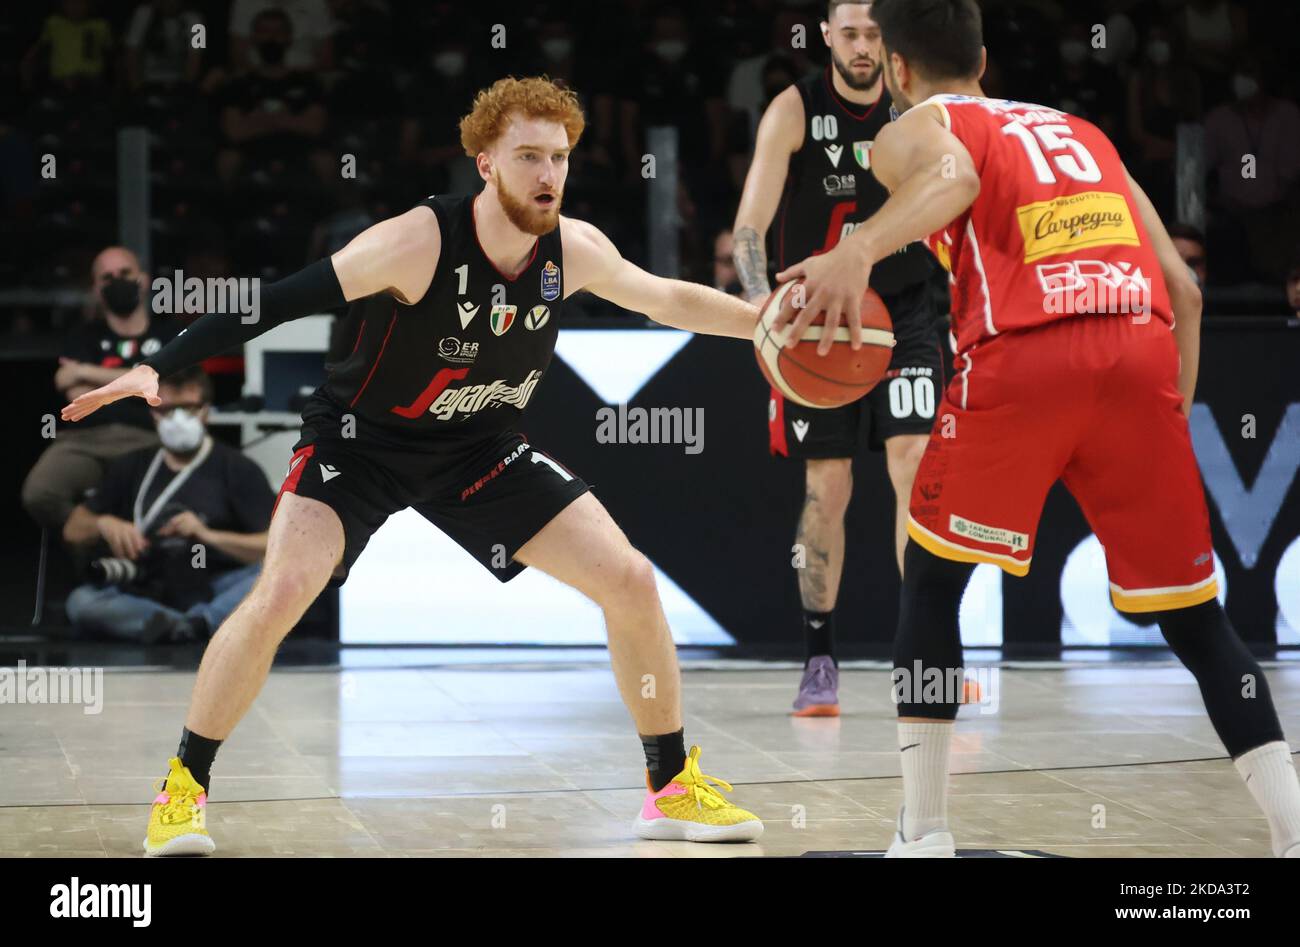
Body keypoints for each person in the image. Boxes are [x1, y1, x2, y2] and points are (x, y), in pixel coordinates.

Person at [64, 76, 764, 856]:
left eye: (559, 157)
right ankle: (182, 791)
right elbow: (281, 300)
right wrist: (159, 364)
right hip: (358, 446)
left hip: (478, 448)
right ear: (485, 161)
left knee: (630, 579)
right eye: (528, 155)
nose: (547, 175)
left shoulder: (574, 248)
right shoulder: (417, 241)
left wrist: (761, 324)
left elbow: (666, 297)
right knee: (284, 589)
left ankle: (669, 790)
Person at [777, 0, 1300, 858]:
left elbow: (953, 181)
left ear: (899, 71)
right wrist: (1160, 416)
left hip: (1023, 355)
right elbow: (1187, 292)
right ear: (983, 56)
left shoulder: (913, 129)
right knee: (1200, 620)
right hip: (1139, 353)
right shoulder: (1084, 130)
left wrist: (857, 247)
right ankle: (1291, 834)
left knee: (935, 583)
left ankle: (926, 831)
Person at [732, 0, 943, 717]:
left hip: (905, 312)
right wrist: (767, 312)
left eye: (874, 35)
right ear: (824, 35)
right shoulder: (792, 110)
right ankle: (820, 658)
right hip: (820, 324)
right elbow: (749, 229)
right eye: (849, 33)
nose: (862, 47)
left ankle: (926, 652)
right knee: (828, 486)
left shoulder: (917, 109)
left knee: (914, 460)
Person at [62, 367, 270, 643]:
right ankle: (187, 624)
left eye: (188, 408)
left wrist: (207, 535)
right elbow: (73, 530)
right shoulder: (132, 464)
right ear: (152, 412)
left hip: (214, 583)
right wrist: (103, 523)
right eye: (166, 409)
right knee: (82, 601)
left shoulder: (237, 468)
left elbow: (271, 544)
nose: (178, 419)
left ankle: (196, 620)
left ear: (206, 410)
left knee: (265, 577)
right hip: (146, 585)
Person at [22, 246, 178, 533]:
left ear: (142, 279)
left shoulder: (168, 334)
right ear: (96, 288)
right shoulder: (81, 335)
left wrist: (84, 372)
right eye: (107, 277)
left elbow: (171, 390)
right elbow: (72, 394)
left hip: (149, 439)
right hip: (84, 442)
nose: (117, 281)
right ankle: (98, 531)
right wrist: (139, 379)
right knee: (40, 492)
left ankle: (141, 555)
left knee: (175, 499)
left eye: (125, 273)